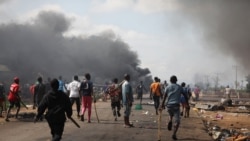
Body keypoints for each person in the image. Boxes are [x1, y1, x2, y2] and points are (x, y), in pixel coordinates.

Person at [160, 75, 185, 140]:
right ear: (176, 80)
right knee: (177, 121)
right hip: (176, 106)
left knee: (170, 114)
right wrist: (187, 103)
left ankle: (170, 120)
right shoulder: (179, 87)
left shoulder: (167, 87)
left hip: (169, 106)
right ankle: (174, 134)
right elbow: (185, 95)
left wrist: (162, 105)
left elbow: (165, 97)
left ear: (170, 81)